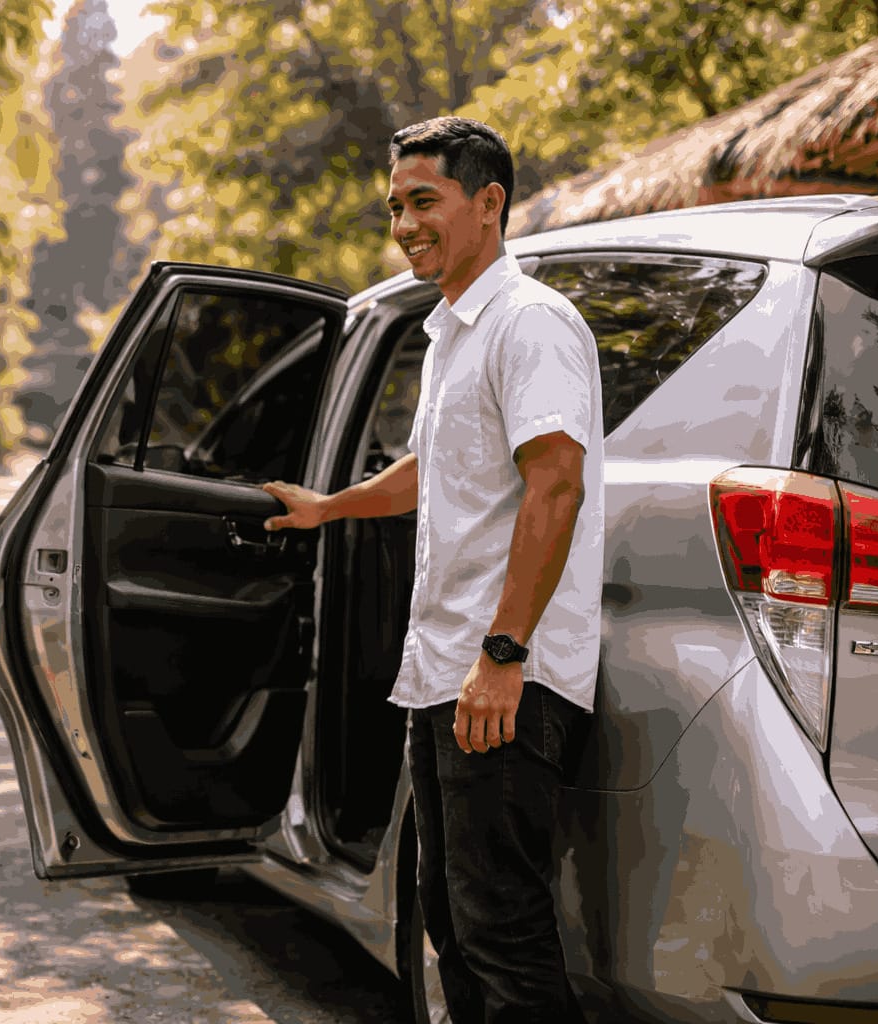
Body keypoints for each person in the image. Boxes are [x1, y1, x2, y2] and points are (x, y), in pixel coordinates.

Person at [262, 116, 602, 1023]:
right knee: (452, 923)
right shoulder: (454, 329)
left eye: (424, 202)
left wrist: (502, 654)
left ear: (488, 204)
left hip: (503, 678)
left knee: (504, 932)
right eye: (394, 207)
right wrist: (330, 507)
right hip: (447, 676)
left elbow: (556, 487)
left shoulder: (531, 324)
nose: (405, 223)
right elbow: (432, 470)